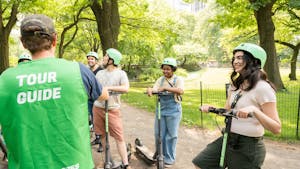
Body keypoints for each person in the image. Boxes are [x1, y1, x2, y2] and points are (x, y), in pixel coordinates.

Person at [0, 14, 108, 169]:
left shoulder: (5, 80)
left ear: (23, 43)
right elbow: (103, 95)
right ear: (55, 39)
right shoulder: (78, 71)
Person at [192, 43, 281, 169]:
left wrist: (254, 110)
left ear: (253, 61)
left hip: (248, 146)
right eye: (234, 58)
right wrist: (212, 107)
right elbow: (228, 110)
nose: (235, 61)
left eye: (240, 58)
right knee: (201, 163)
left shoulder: (263, 88)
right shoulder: (235, 86)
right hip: (229, 138)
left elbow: (276, 128)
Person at [93, 48, 130, 168]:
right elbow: (94, 88)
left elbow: (125, 88)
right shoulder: (99, 73)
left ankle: (125, 163)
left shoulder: (121, 73)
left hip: (113, 108)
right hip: (98, 108)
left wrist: (108, 88)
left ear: (111, 60)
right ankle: (108, 160)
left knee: (119, 137)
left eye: (105, 56)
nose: (103, 57)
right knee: (102, 135)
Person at [146, 57, 184, 168]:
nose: (165, 71)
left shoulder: (178, 80)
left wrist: (165, 88)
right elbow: (155, 89)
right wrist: (150, 90)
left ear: (173, 70)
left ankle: (169, 158)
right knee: (158, 134)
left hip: (174, 110)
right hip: (161, 110)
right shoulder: (160, 80)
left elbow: (181, 91)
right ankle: (160, 154)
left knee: (171, 135)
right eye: (164, 69)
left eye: (168, 69)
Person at [86, 51, 104, 151]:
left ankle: (102, 142)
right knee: (93, 120)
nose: (90, 60)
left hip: (97, 99)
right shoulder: (88, 70)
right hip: (89, 99)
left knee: (99, 121)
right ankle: (97, 138)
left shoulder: (100, 71)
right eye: (88, 58)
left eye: (92, 59)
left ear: (96, 61)